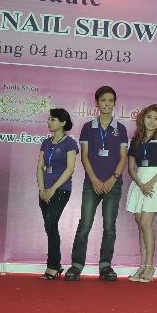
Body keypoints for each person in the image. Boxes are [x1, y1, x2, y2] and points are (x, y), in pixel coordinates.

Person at [66, 86, 129, 282]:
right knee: (84, 225)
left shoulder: (121, 129)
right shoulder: (88, 127)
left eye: (110, 100)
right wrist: (93, 179)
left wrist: (113, 179)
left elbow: (123, 157)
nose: (107, 104)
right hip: (91, 184)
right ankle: (76, 265)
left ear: (115, 103)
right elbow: (84, 156)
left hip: (113, 185)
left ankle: (105, 265)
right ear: (96, 103)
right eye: (103, 100)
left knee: (109, 227)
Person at [125, 104, 157, 283]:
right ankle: (142, 264)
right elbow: (131, 167)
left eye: (156, 118)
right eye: (149, 117)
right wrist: (140, 184)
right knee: (140, 224)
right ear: (142, 119)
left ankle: (150, 266)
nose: (152, 121)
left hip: (155, 181)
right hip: (139, 181)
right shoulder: (135, 140)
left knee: (146, 223)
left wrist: (150, 183)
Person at [36, 108, 78, 280]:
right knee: (49, 226)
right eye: (49, 119)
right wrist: (42, 189)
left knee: (50, 223)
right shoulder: (46, 143)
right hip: (44, 190)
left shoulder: (70, 143)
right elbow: (40, 167)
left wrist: (52, 189)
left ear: (63, 123)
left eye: (53, 119)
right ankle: (55, 264)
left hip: (60, 190)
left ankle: (53, 266)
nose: (49, 122)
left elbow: (70, 169)